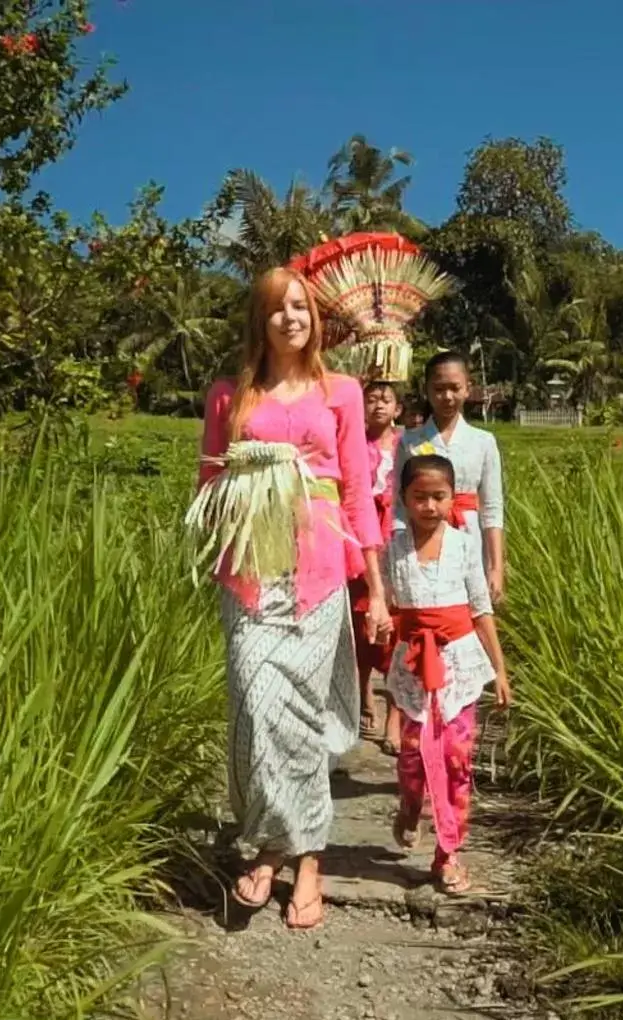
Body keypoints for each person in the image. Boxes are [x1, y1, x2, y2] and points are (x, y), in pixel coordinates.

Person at [198, 266, 390, 931]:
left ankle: (305, 856)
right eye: (277, 309)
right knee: (254, 709)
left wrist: (377, 586)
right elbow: (207, 484)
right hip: (250, 571)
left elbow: (359, 490)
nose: (291, 318)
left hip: (316, 573)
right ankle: (268, 841)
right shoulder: (228, 396)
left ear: (315, 318)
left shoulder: (340, 392)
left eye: (301, 306)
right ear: (261, 321)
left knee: (302, 721)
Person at [384, 453, 511, 894]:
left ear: (451, 498)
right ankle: (409, 802)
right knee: (413, 755)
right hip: (415, 666)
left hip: (458, 664)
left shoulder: (462, 544)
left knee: (457, 757)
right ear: (403, 499)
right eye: (420, 497)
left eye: (439, 497)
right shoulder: (393, 549)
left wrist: (499, 670)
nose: (430, 506)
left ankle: (448, 851)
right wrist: (380, 620)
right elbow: (386, 606)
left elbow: (480, 608)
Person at [395, 351, 507, 604]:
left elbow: (492, 508)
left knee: (471, 611)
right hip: (421, 539)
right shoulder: (410, 442)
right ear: (427, 390)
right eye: (439, 389)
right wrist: (398, 555)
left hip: (470, 537)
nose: (447, 396)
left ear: (468, 389)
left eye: (454, 388)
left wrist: (495, 567)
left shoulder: (483, 442)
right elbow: (399, 507)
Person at [351, 381, 404, 755]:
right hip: (358, 545)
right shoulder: (353, 445)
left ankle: (394, 718)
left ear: (398, 409)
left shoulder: (407, 446)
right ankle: (363, 693)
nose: (379, 406)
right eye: (371, 399)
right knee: (359, 624)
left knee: (397, 631)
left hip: (395, 545)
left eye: (386, 400)